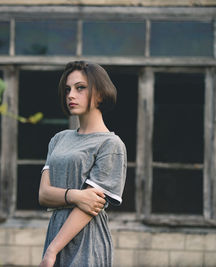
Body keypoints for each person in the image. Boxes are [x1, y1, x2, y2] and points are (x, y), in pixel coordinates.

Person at [38, 61, 127, 267]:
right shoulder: (59, 139)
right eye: (68, 89)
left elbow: (90, 206)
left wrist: (52, 250)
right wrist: (77, 195)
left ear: (101, 94)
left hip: (87, 242)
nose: (70, 95)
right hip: (56, 233)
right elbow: (43, 195)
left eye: (80, 88)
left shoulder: (111, 144)